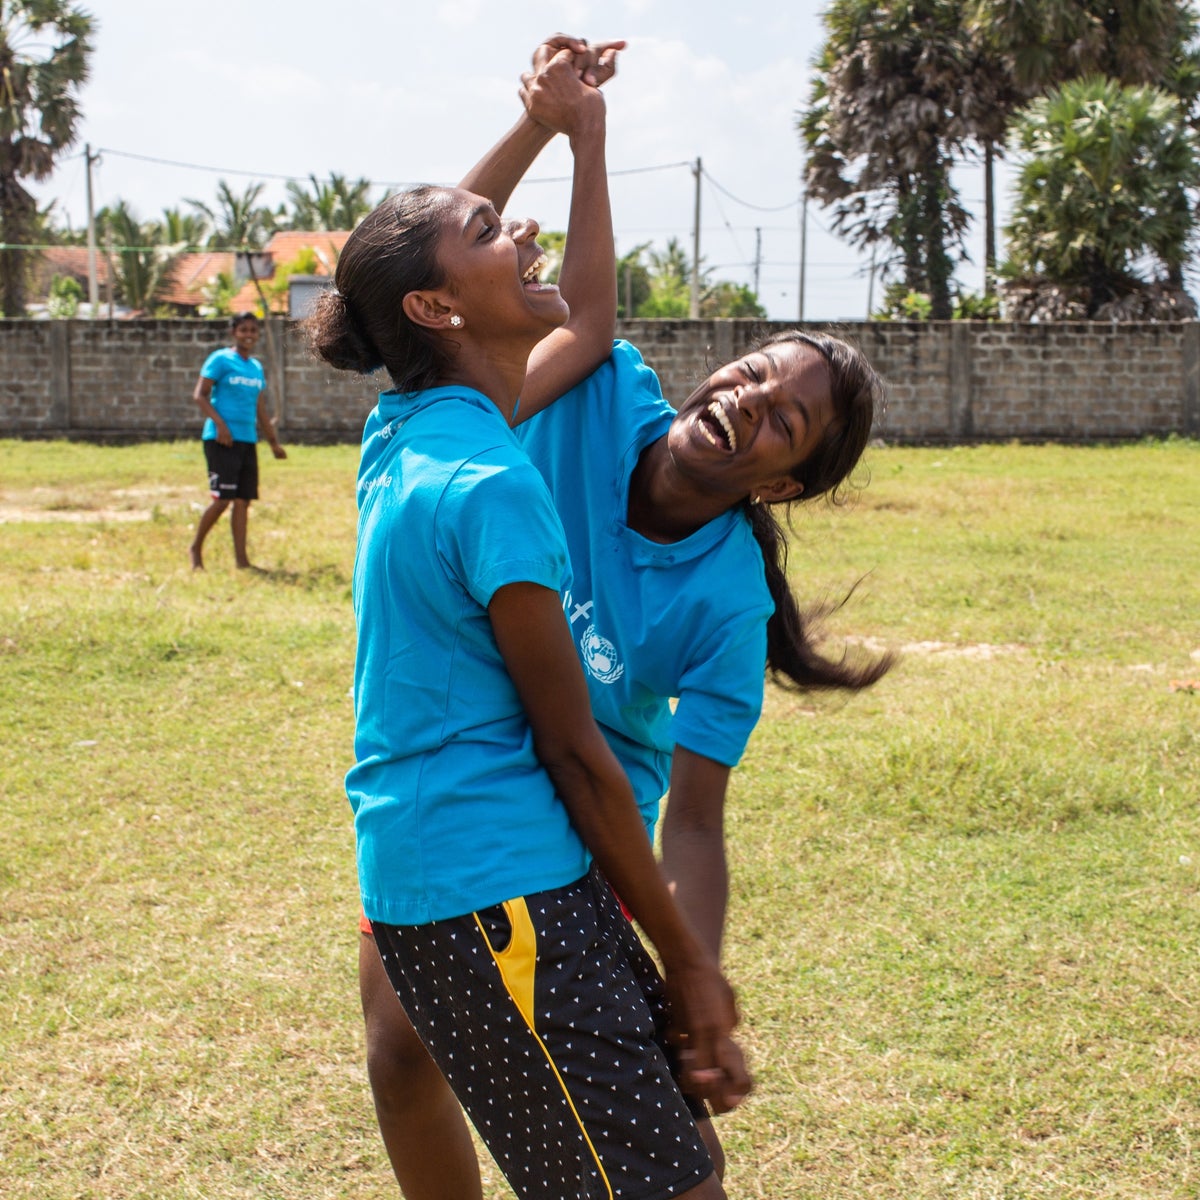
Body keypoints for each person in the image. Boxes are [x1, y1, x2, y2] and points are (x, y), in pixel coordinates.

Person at [356, 38, 895, 1200]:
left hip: (569, 845)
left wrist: (691, 967)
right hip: (469, 808)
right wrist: (560, 125)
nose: (751, 398)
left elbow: (690, 820)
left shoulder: (726, 602)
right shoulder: (593, 392)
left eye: (785, 421)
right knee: (401, 1053)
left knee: (659, 1156)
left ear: (781, 486)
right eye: (755, 371)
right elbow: (420, 286)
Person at [308, 37, 747, 1200]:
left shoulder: (407, 431)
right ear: (438, 305)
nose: (525, 231)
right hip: (499, 894)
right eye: (496, 232)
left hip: (470, 880)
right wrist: (689, 962)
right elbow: (576, 754)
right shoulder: (489, 482)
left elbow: (550, 310)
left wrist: (566, 128)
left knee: (673, 1164)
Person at [189, 311, 286, 571]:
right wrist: (220, 425)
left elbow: (260, 409)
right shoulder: (220, 359)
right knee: (222, 499)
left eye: (253, 330)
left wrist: (273, 443)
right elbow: (200, 395)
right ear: (234, 333)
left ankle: (242, 561)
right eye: (243, 330)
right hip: (221, 440)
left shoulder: (255, 368)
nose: (248, 335)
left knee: (243, 501)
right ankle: (195, 548)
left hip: (247, 440)